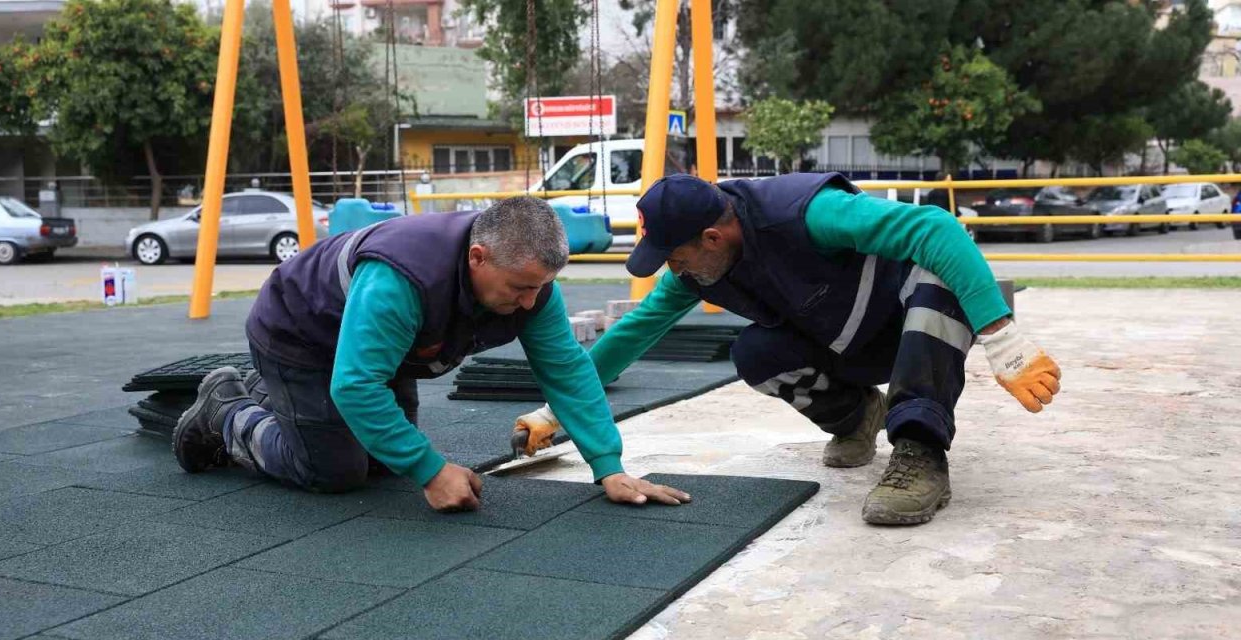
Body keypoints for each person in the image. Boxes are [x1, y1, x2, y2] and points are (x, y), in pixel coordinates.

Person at [512, 173, 1061, 525]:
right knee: (755, 352)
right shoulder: (699, 271)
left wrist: (1001, 334)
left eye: (673, 256)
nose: (670, 269)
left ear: (712, 238)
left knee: (936, 280)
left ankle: (919, 452)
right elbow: (633, 332)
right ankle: (858, 416)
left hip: (912, 328)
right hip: (851, 345)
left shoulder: (805, 211)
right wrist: (556, 411)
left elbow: (937, 227)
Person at [173, 196, 690, 512]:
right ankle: (227, 410)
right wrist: (431, 470)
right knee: (334, 472)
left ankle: (284, 401)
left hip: (381, 351)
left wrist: (608, 465)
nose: (531, 302)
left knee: (383, 464)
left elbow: (567, 371)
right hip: (299, 334)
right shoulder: (401, 280)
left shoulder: (531, 286)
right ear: (477, 257)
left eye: (542, 288)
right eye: (520, 287)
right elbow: (355, 386)